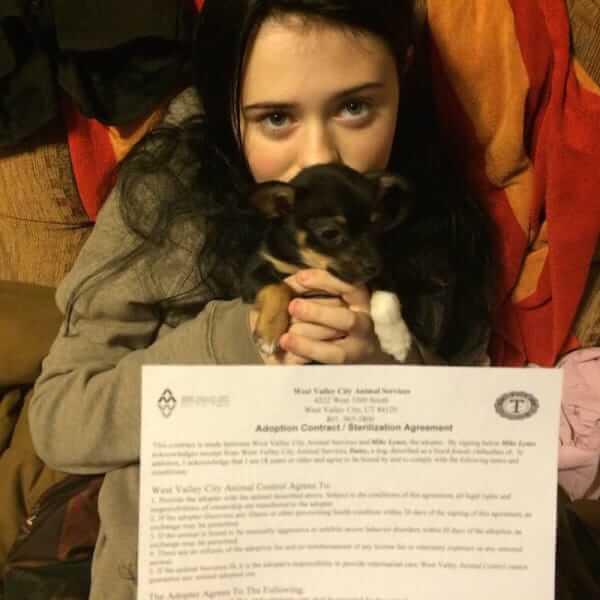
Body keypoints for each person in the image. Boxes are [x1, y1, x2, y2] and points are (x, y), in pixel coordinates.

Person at [29, 1, 494, 598]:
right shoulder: (167, 202)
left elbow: (468, 439)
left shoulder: (427, 209)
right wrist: (238, 342)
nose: (320, 157)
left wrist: (388, 370)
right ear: (227, 106)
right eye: (276, 117)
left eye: (355, 107)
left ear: (402, 76)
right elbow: (60, 419)